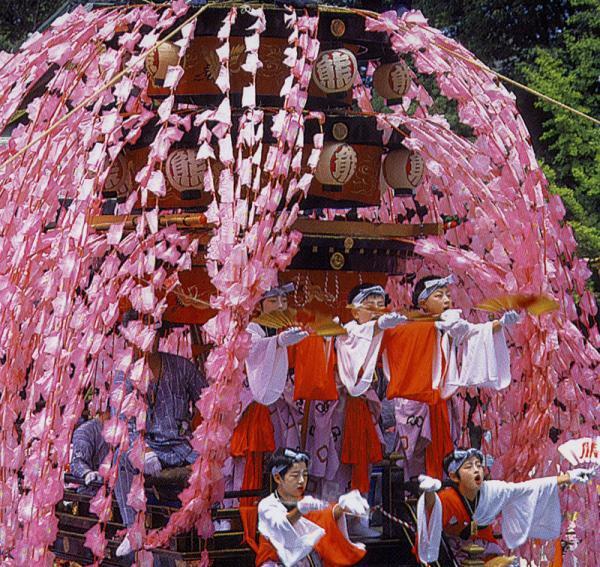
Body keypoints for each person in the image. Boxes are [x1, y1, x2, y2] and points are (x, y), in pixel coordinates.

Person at [383, 275, 519, 479]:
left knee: (444, 456)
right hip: (416, 401)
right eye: (439, 296)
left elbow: (474, 332)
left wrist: (501, 323)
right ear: (423, 303)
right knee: (418, 460)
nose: (446, 300)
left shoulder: (450, 322)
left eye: (448, 295)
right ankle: (418, 495)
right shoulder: (407, 325)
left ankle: (441, 492)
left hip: (441, 401)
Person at [305, 283, 406, 536]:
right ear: (354, 310)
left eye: (379, 303)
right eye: (369, 304)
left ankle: (357, 520)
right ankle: (330, 522)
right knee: (335, 470)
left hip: (362, 410)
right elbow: (357, 346)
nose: (375, 309)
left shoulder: (379, 332)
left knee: (362, 467)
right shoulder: (346, 331)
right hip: (338, 412)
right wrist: (377, 327)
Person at [114, 321, 208, 557]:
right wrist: (142, 450)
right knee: (120, 460)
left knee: (211, 466)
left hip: (180, 446)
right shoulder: (124, 373)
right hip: (145, 447)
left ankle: (211, 519)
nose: (148, 340)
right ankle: (132, 528)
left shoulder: (182, 367)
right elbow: (122, 420)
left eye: (152, 334)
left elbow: (207, 400)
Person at [416, 447, 596, 564]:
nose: (476, 470)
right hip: (454, 551)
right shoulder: (447, 498)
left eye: (479, 465)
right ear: (455, 476)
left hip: (486, 547)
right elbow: (432, 511)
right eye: (469, 467)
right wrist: (429, 492)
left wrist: (568, 477)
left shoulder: (492, 491)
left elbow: (525, 488)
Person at [227, 283, 308, 499]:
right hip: (253, 408)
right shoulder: (251, 329)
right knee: (249, 464)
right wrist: (278, 342)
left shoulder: (286, 327)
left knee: (282, 458)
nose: (280, 305)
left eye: (283, 300)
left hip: (282, 407)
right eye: (273, 301)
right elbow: (253, 353)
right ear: (260, 304)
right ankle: (241, 513)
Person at [256, 447, 368, 566]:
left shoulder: (305, 504)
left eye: (304, 475)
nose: (301, 481)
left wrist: (343, 506)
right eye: (295, 475)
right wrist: (300, 510)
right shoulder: (267, 505)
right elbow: (281, 525)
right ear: (278, 478)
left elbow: (326, 514)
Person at [70, 416, 109, 495]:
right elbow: (77, 461)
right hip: (91, 494)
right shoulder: (86, 430)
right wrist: (87, 473)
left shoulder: (128, 430)